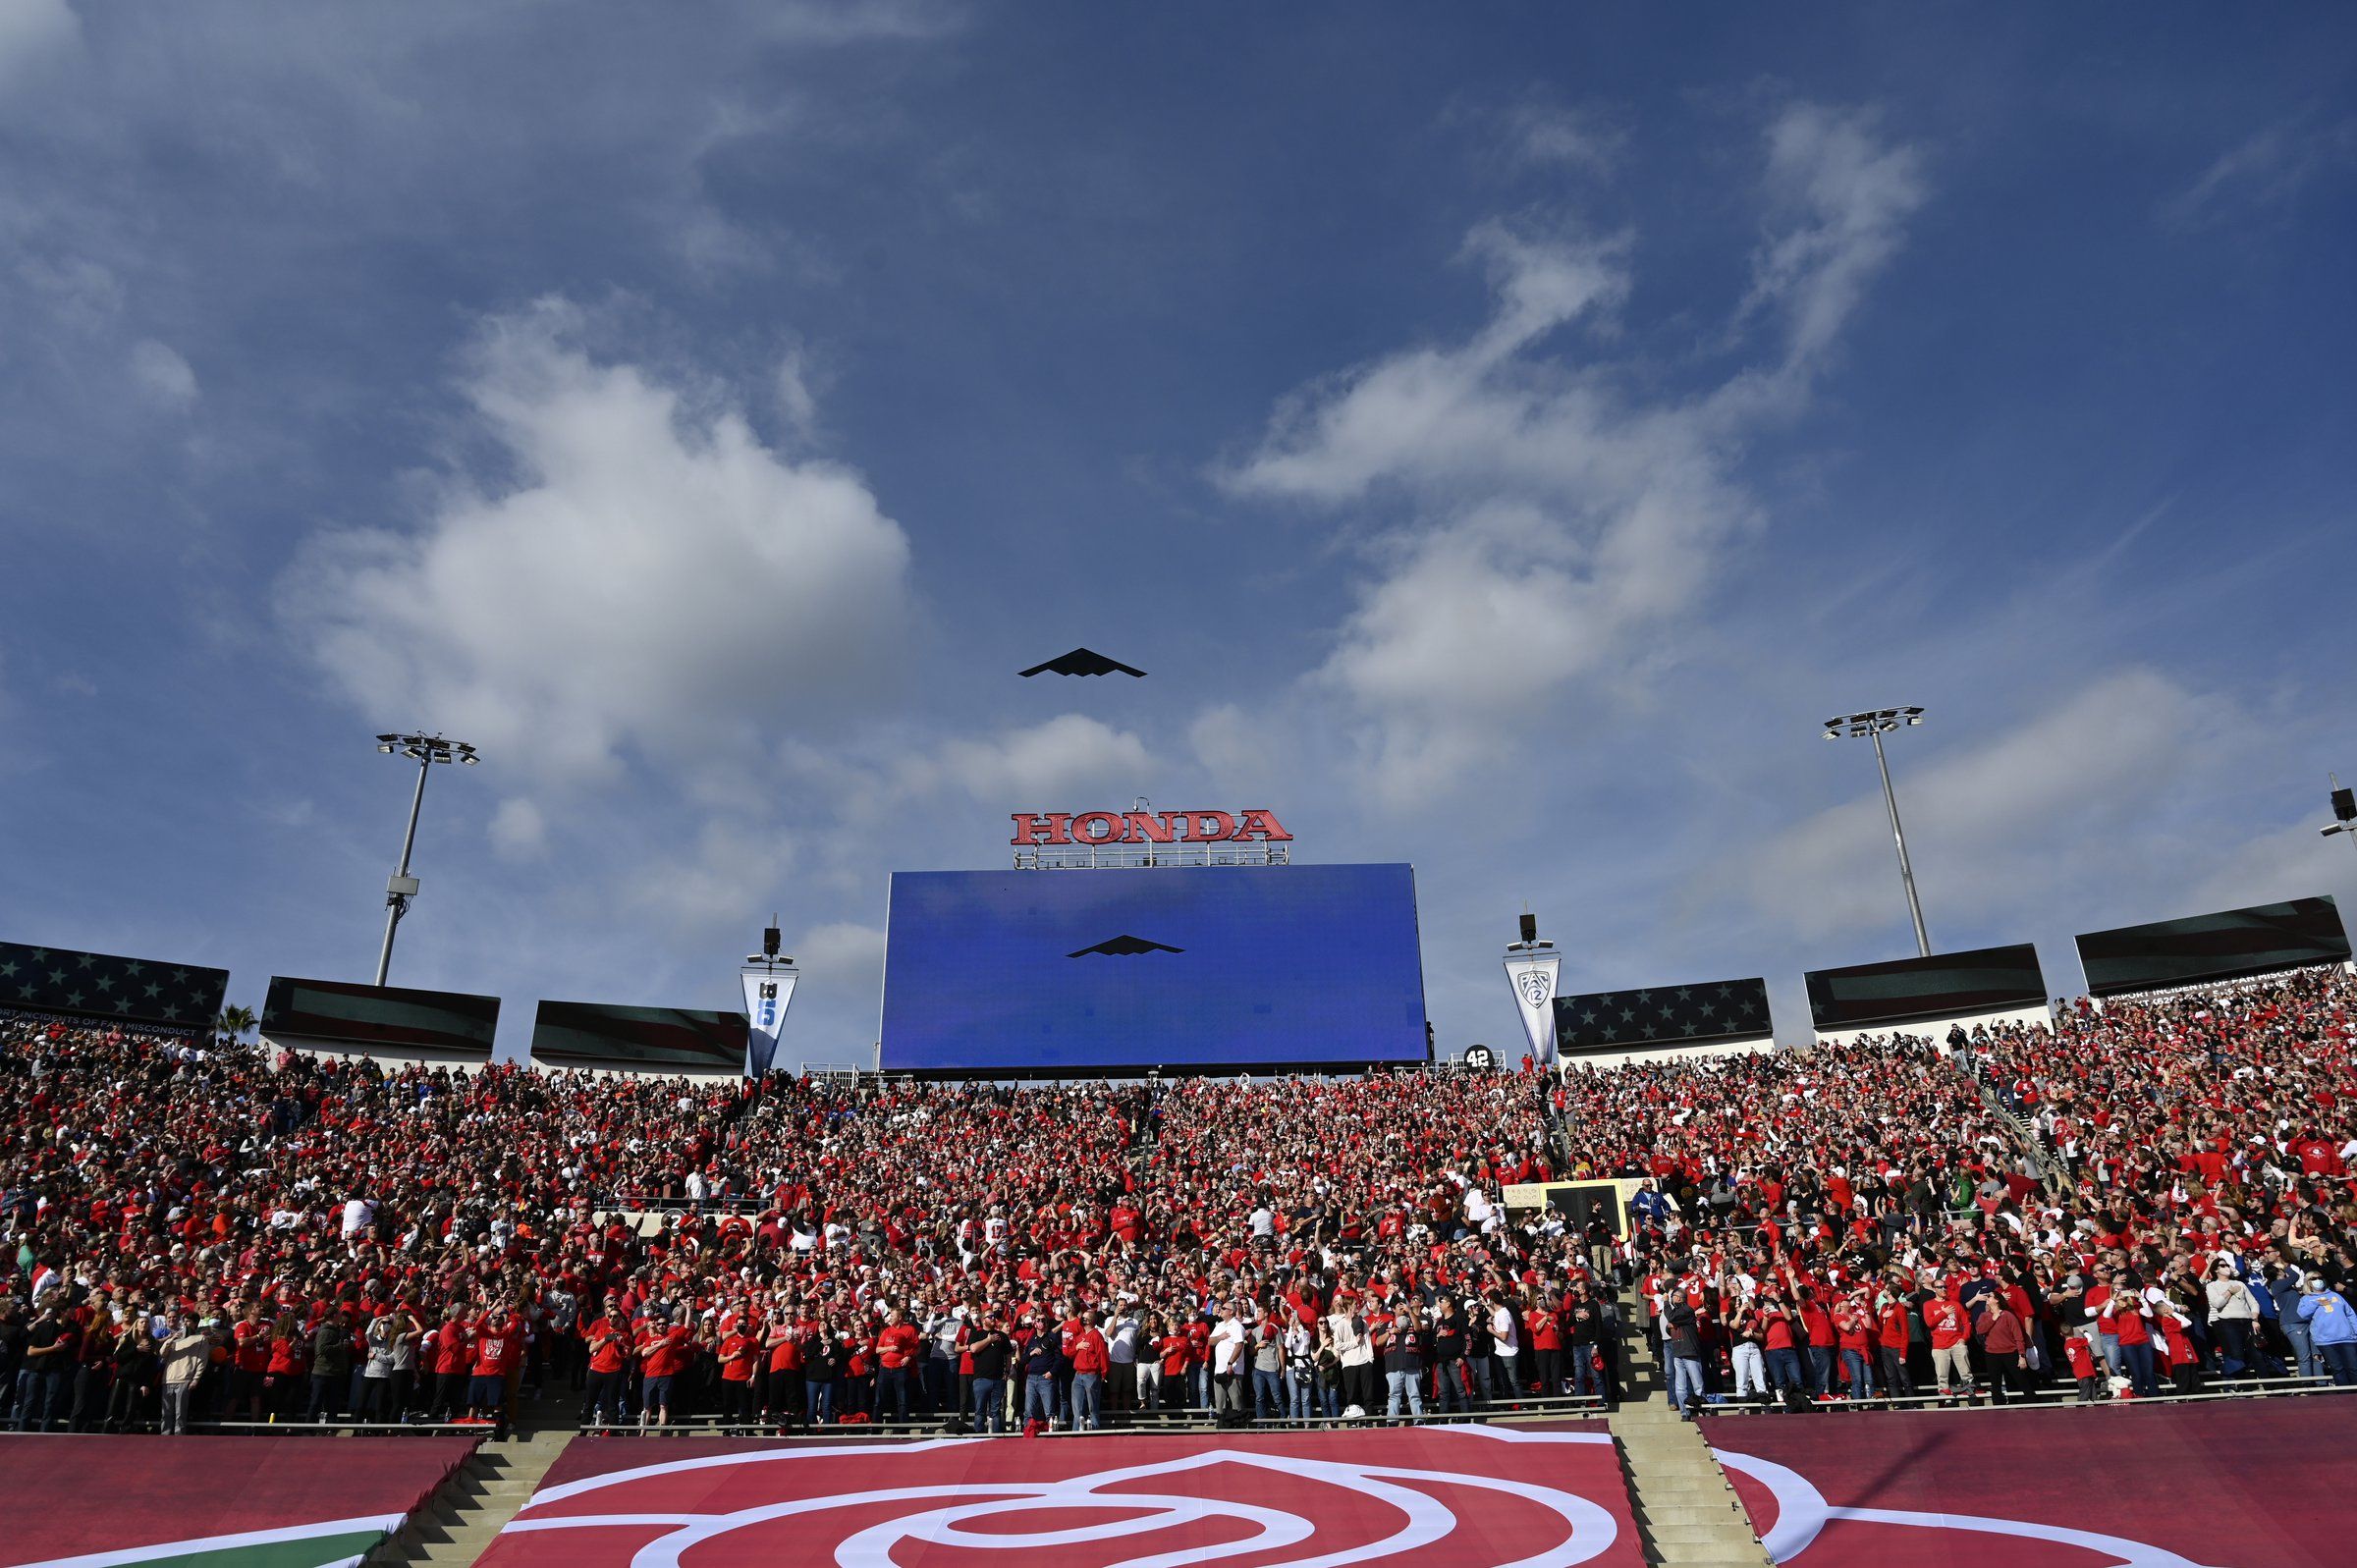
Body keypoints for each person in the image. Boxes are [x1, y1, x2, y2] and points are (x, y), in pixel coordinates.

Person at [2297, 1274, 2357, 1386]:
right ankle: (2346, 1395)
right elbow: (2303, 1314)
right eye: (2313, 1279)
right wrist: (2317, 1302)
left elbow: (2350, 1314)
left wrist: (2355, 1331)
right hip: (2325, 1340)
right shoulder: (2306, 1299)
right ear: (2308, 1282)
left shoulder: (2335, 1295)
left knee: (2353, 1367)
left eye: (2319, 1278)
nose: (2318, 1280)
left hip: (2347, 1338)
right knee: (2337, 1369)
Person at [159, 1314, 212, 1434]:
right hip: (168, 1378)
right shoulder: (175, 1338)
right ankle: (164, 1437)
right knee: (166, 1413)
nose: (185, 1324)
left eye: (188, 1321)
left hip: (185, 1378)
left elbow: (202, 1361)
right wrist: (171, 1339)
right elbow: (162, 1353)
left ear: (195, 1324)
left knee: (180, 1414)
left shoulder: (200, 1339)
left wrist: (195, 1379)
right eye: (184, 1321)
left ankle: (179, 1439)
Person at [1380, 1302, 1426, 1420]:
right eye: (1399, 1307)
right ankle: (1392, 1421)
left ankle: (1419, 1420)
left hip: (1412, 1365)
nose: (1402, 1309)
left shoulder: (1413, 1321)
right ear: (1393, 1310)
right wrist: (1390, 1332)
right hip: (1393, 1365)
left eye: (1404, 1307)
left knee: (1415, 1395)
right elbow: (1378, 1342)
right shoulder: (1387, 1325)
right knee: (1394, 1396)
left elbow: (1419, 1329)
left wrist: (1410, 1311)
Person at [1664, 1299, 1705, 1420]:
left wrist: (1666, 1303)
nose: (1671, 1299)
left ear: (1679, 1298)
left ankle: (1700, 1410)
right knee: (1680, 1387)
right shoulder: (1678, 1312)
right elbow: (1668, 1329)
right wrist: (1671, 1324)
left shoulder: (1687, 1310)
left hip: (1690, 1352)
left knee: (1697, 1384)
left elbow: (1671, 1317)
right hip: (1678, 1353)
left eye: (1673, 1297)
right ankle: (1685, 1413)